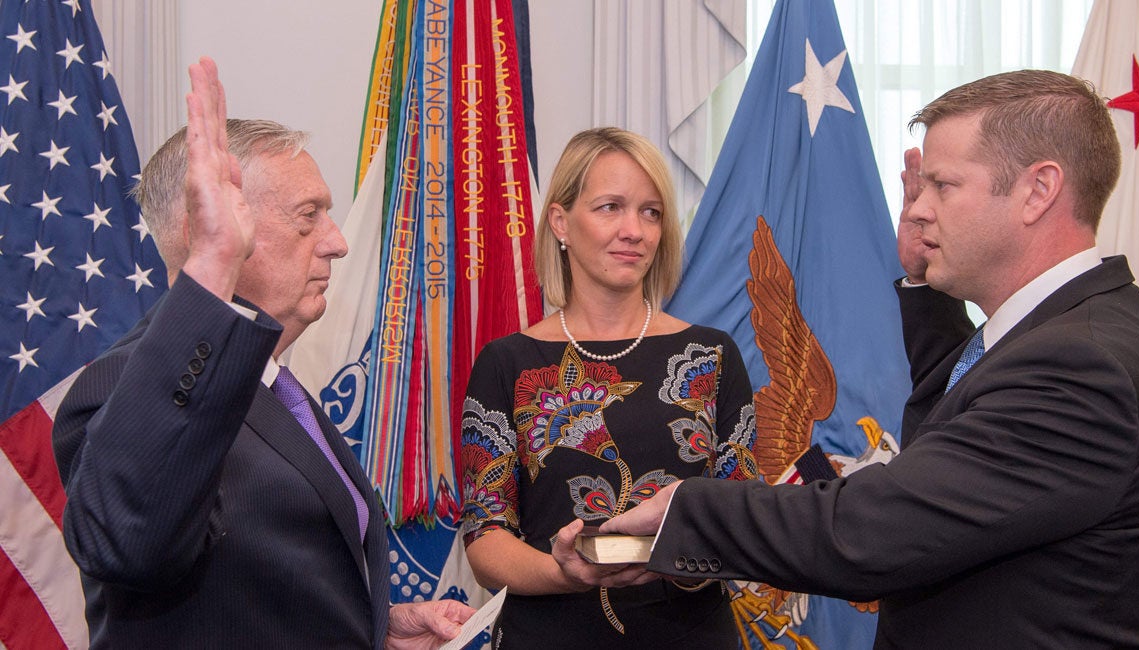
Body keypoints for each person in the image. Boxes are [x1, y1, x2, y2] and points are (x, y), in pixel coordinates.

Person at [601, 69, 1139, 648]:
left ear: (1037, 191)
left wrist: (688, 508)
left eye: (944, 186)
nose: (917, 208)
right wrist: (924, 284)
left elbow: (871, 534)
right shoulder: (1066, 331)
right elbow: (963, 423)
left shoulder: (1081, 369)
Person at [53, 57, 474, 649]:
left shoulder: (274, 383)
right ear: (207, 229)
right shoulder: (122, 384)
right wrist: (212, 267)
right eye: (308, 217)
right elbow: (129, 544)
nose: (337, 242)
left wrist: (376, 629)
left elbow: (260, 586)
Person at [457, 127, 761, 647]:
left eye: (651, 212)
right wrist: (564, 573)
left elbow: (745, 517)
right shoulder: (505, 364)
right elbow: (486, 539)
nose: (634, 230)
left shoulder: (711, 356)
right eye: (610, 207)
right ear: (561, 222)